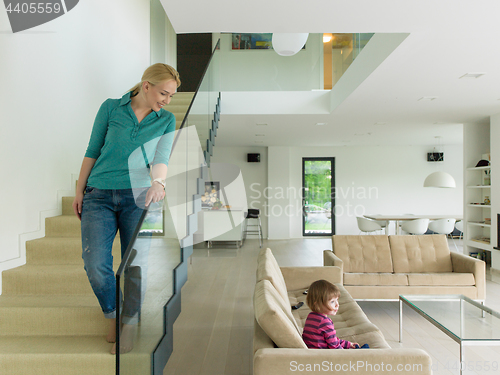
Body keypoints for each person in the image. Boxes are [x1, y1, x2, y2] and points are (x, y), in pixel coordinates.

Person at [72, 63, 181, 354]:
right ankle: (113, 313)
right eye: (163, 93)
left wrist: (159, 182)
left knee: (134, 265)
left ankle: (129, 322)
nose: (167, 101)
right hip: (99, 195)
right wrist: (79, 189)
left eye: (171, 96)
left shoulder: (166, 120)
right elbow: (92, 149)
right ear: (146, 85)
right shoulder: (110, 108)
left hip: (139, 197)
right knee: (95, 264)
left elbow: (162, 157)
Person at [302, 279, 359, 349]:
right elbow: (335, 347)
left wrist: (349, 344)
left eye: (337, 300)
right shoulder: (325, 322)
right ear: (318, 304)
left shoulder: (311, 316)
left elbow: (333, 340)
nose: (337, 304)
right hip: (324, 355)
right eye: (332, 302)